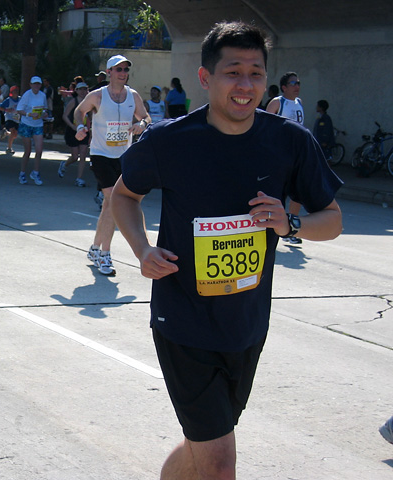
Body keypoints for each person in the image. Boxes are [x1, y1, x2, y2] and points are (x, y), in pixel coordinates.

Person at [111, 21, 343, 480]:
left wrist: (290, 223)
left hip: (248, 324)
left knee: (204, 447)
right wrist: (141, 249)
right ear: (205, 78)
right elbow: (122, 195)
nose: (245, 85)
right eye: (233, 72)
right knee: (220, 462)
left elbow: (332, 220)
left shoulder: (290, 142)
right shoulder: (169, 141)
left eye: (256, 73)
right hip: (184, 322)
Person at [74, 54, 150, 276]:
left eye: (126, 69)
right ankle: (105, 255)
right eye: (119, 70)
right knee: (112, 200)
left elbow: (145, 117)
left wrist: (141, 125)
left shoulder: (132, 96)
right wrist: (80, 126)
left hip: (123, 156)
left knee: (109, 205)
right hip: (100, 155)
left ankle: (95, 248)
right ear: (109, 73)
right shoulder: (97, 96)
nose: (123, 73)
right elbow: (80, 110)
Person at [267, 71, 305, 244]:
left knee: (297, 193)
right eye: (293, 83)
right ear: (284, 87)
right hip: (279, 154)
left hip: (297, 154)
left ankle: (291, 228)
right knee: (277, 192)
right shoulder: (277, 102)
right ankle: (271, 226)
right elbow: (265, 127)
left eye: (298, 83)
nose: (297, 86)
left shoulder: (299, 102)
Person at [16, 76, 48, 185]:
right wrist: (30, 114)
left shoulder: (42, 95)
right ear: (30, 85)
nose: (36, 86)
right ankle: (22, 173)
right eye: (34, 84)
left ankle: (35, 172)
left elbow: (44, 109)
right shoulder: (27, 95)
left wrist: (44, 114)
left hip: (38, 124)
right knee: (28, 151)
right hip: (26, 124)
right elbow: (19, 110)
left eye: (38, 84)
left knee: (39, 150)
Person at [59, 81, 90, 187]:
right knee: (75, 156)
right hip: (73, 131)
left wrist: (90, 129)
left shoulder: (90, 102)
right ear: (76, 91)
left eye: (84, 89)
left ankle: (79, 178)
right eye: (80, 89)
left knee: (83, 154)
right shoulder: (74, 101)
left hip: (85, 131)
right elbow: (65, 116)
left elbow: (91, 117)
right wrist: (73, 127)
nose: (82, 91)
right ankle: (64, 164)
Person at [0, 85, 21, 155]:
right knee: (13, 131)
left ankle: (6, 133)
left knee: (14, 135)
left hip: (17, 119)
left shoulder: (20, 99)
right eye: (14, 91)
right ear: (11, 92)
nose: (16, 92)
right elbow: (0, 107)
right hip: (9, 118)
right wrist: (6, 110)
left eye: (17, 91)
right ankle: (9, 148)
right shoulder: (8, 100)